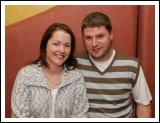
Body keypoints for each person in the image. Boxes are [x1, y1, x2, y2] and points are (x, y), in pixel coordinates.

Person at [76, 12, 152, 118]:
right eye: (88, 38)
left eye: (100, 36)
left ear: (111, 35)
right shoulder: (75, 63)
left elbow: (143, 104)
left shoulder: (131, 66)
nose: (94, 43)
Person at [11, 23, 89, 118]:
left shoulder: (76, 77)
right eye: (56, 44)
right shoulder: (26, 75)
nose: (62, 50)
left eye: (67, 45)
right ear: (45, 45)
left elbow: (80, 115)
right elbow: (19, 116)